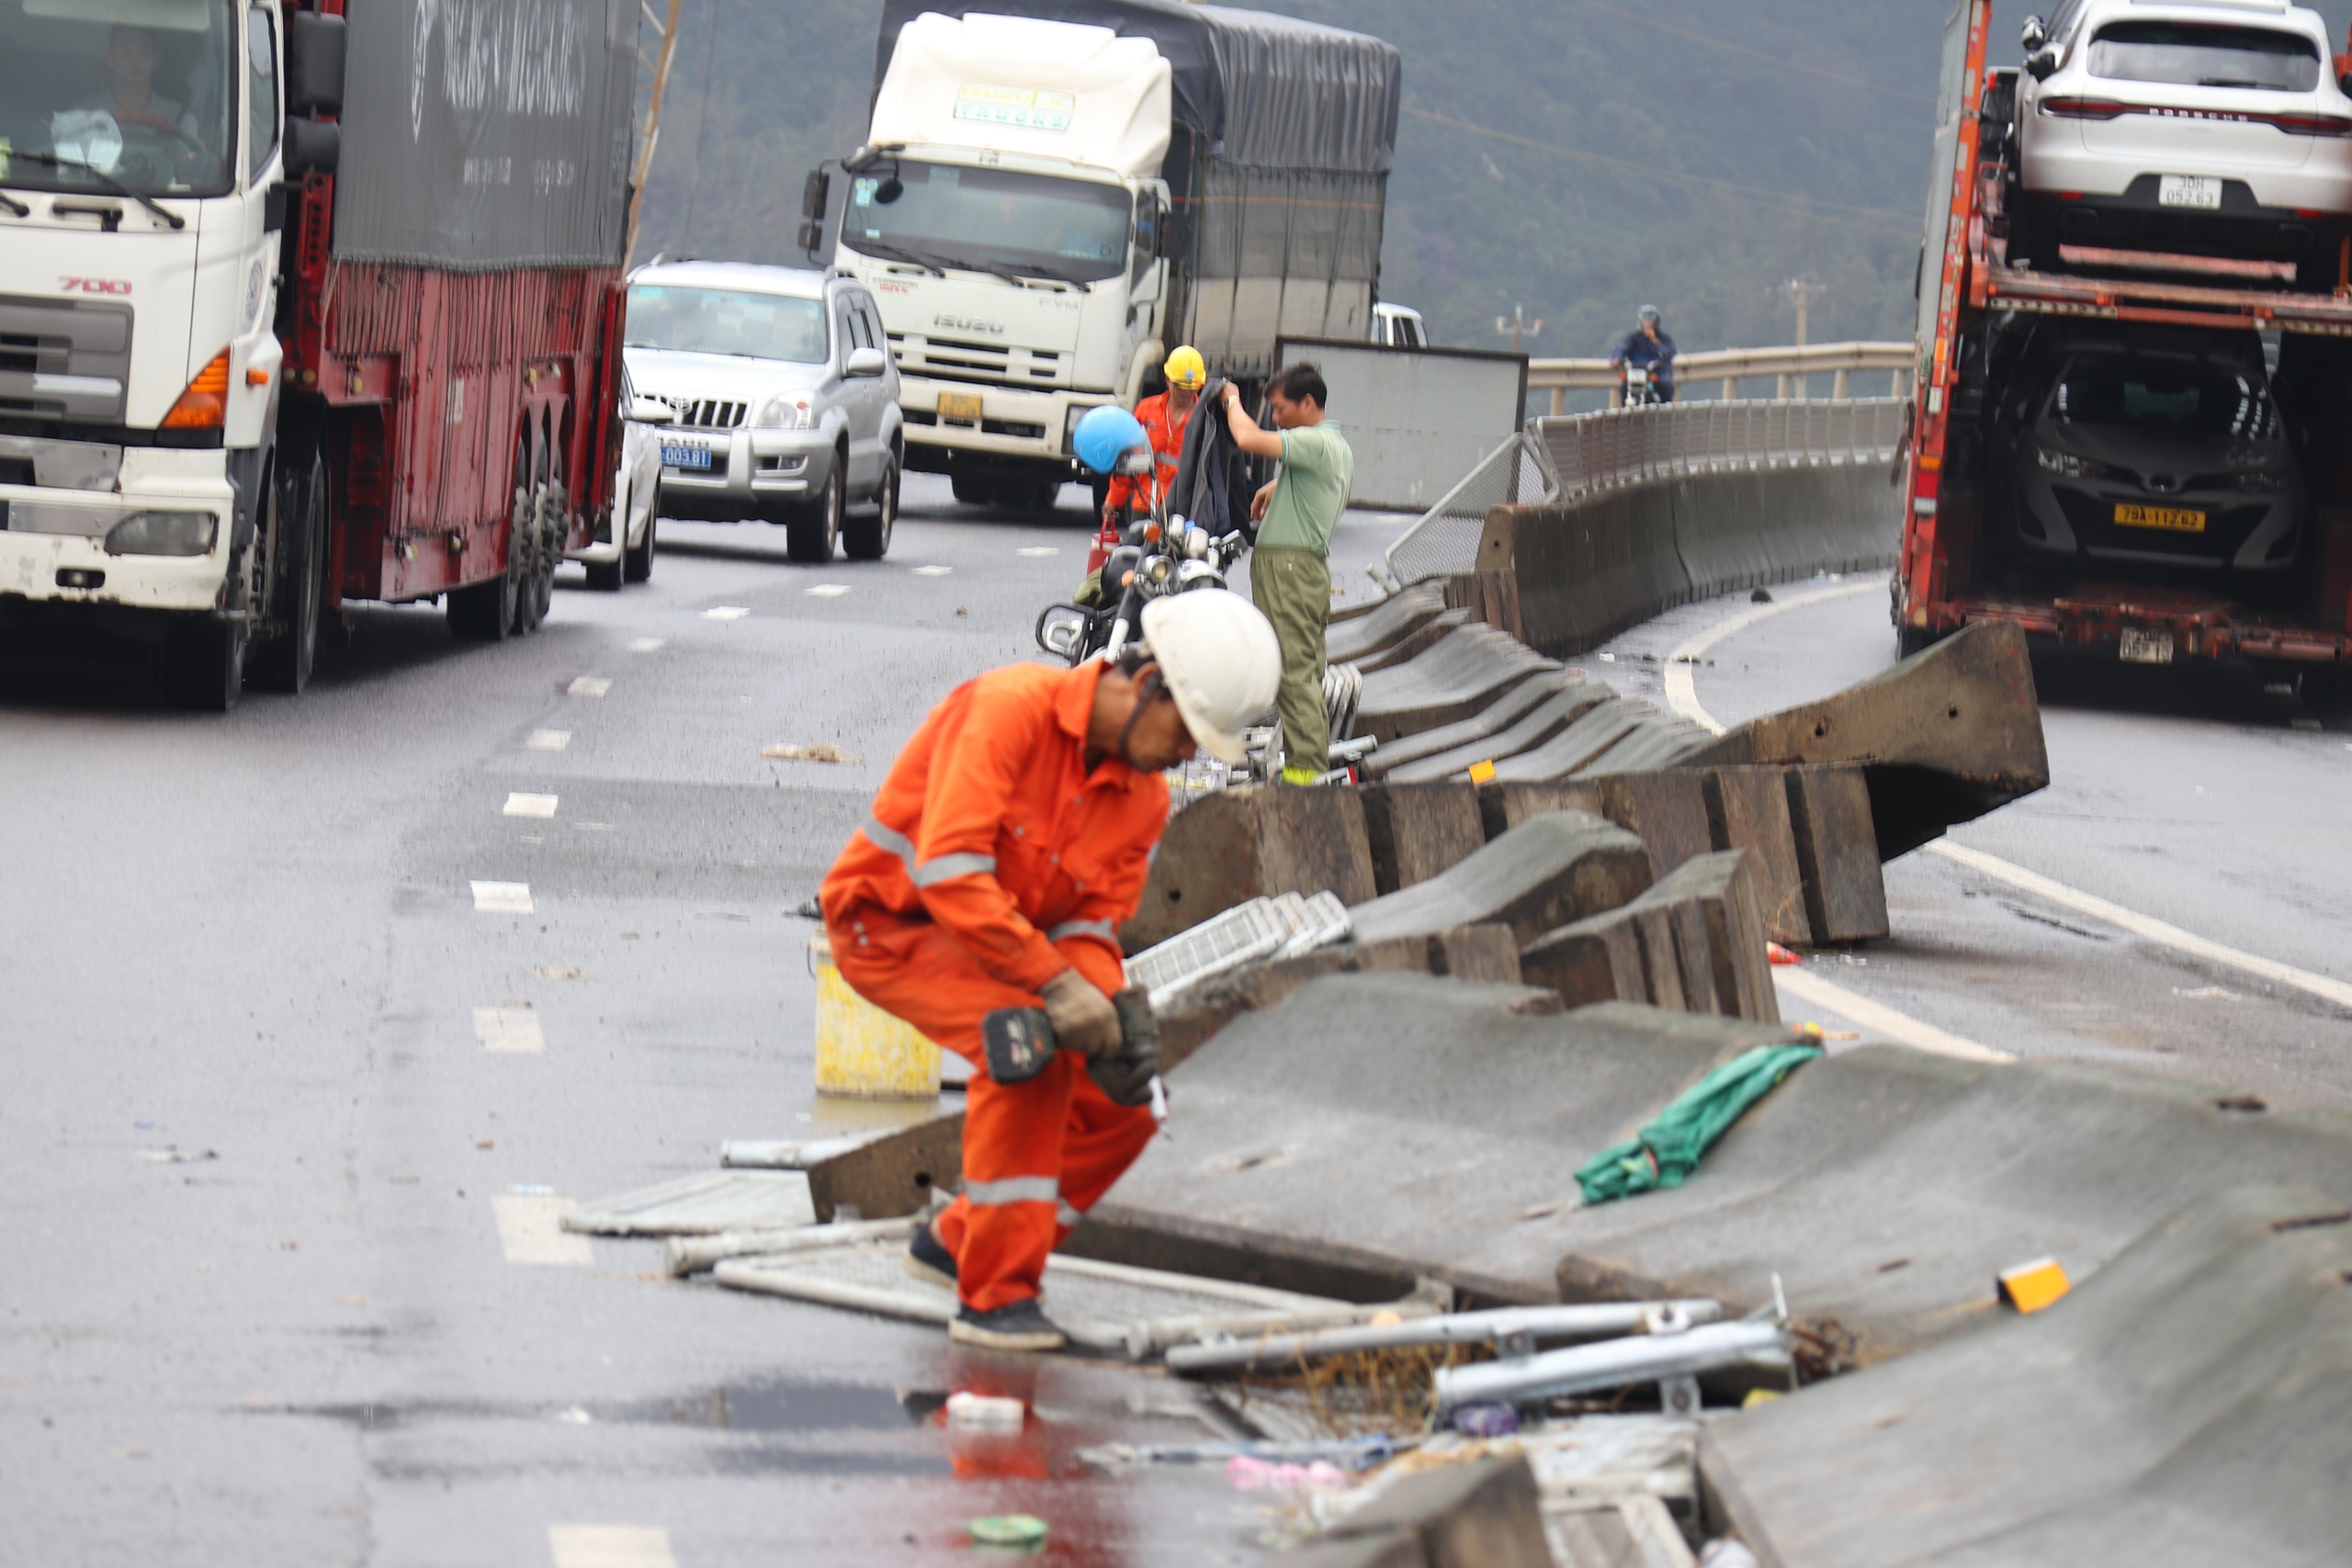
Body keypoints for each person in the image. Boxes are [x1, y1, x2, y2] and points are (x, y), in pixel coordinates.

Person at [820, 592, 1283, 1351]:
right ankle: (994, 1297)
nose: (1191, 755)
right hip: (892, 925)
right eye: (1191, 732)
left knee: (1126, 1101)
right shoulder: (1007, 711)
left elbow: (1087, 926)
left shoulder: (1142, 800)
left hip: (1003, 950)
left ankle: (961, 1240)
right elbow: (952, 872)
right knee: (1029, 1051)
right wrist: (1059, 986)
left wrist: (1108, 1003)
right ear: (1148, 686)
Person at [1219, 363, 1352, 784]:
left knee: (1293, 677)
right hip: (1302, 569)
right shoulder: (1335, 445)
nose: (1275, 419)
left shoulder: (1312, 441)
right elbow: (1322, 486)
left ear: (1308, 403)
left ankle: (1305, 781)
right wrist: (1277, 487)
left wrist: (1231, 400)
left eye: (1279, 409)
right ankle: (1308, 772)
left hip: (1290, 571)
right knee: (1306, 674)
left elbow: (1246, 437)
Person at [1102, 345, 1205, 527]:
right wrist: (1113, 499)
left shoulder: (1204, 419)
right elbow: (1129, 460)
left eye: (1190, 387)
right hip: (1144, 504)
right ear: (1167, 380)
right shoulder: (1146, 410)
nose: (1184, 391)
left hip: (1183, 509)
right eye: (1178, 384)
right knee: (1138, 554)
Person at [1608, 305, 1678, 403]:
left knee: (1665, 386)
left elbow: (1669, 354)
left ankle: (1665, 414)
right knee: (1624, 387)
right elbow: (1621, 347)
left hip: (1656, 374)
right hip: (1636, 373)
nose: (1648, 323)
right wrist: (1616, 358)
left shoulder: (1663, 338)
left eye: (1651, 320)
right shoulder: (1634, 338)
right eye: (1645, 320)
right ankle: (1626, 414)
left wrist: (1655, 342)